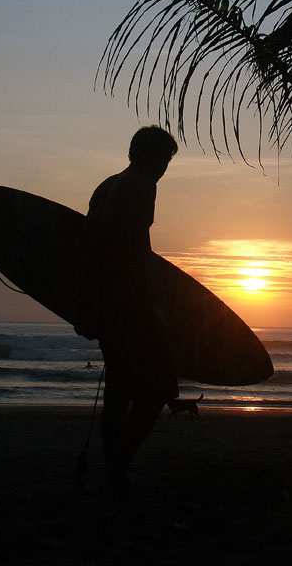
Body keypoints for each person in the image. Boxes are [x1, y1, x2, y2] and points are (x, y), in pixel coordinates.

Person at [80, 125, 179, 490]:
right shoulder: (141, 185)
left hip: (106, 303)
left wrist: (86, 306)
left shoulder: (107, 185)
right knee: (154, 394)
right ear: (150, 157)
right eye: (165, 160)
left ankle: (112, 470)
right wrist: (152, 306)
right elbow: (135, 252)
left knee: (119, 392)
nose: (165, 169)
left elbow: (89, 249)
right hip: (131, 305)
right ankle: (118, 467)